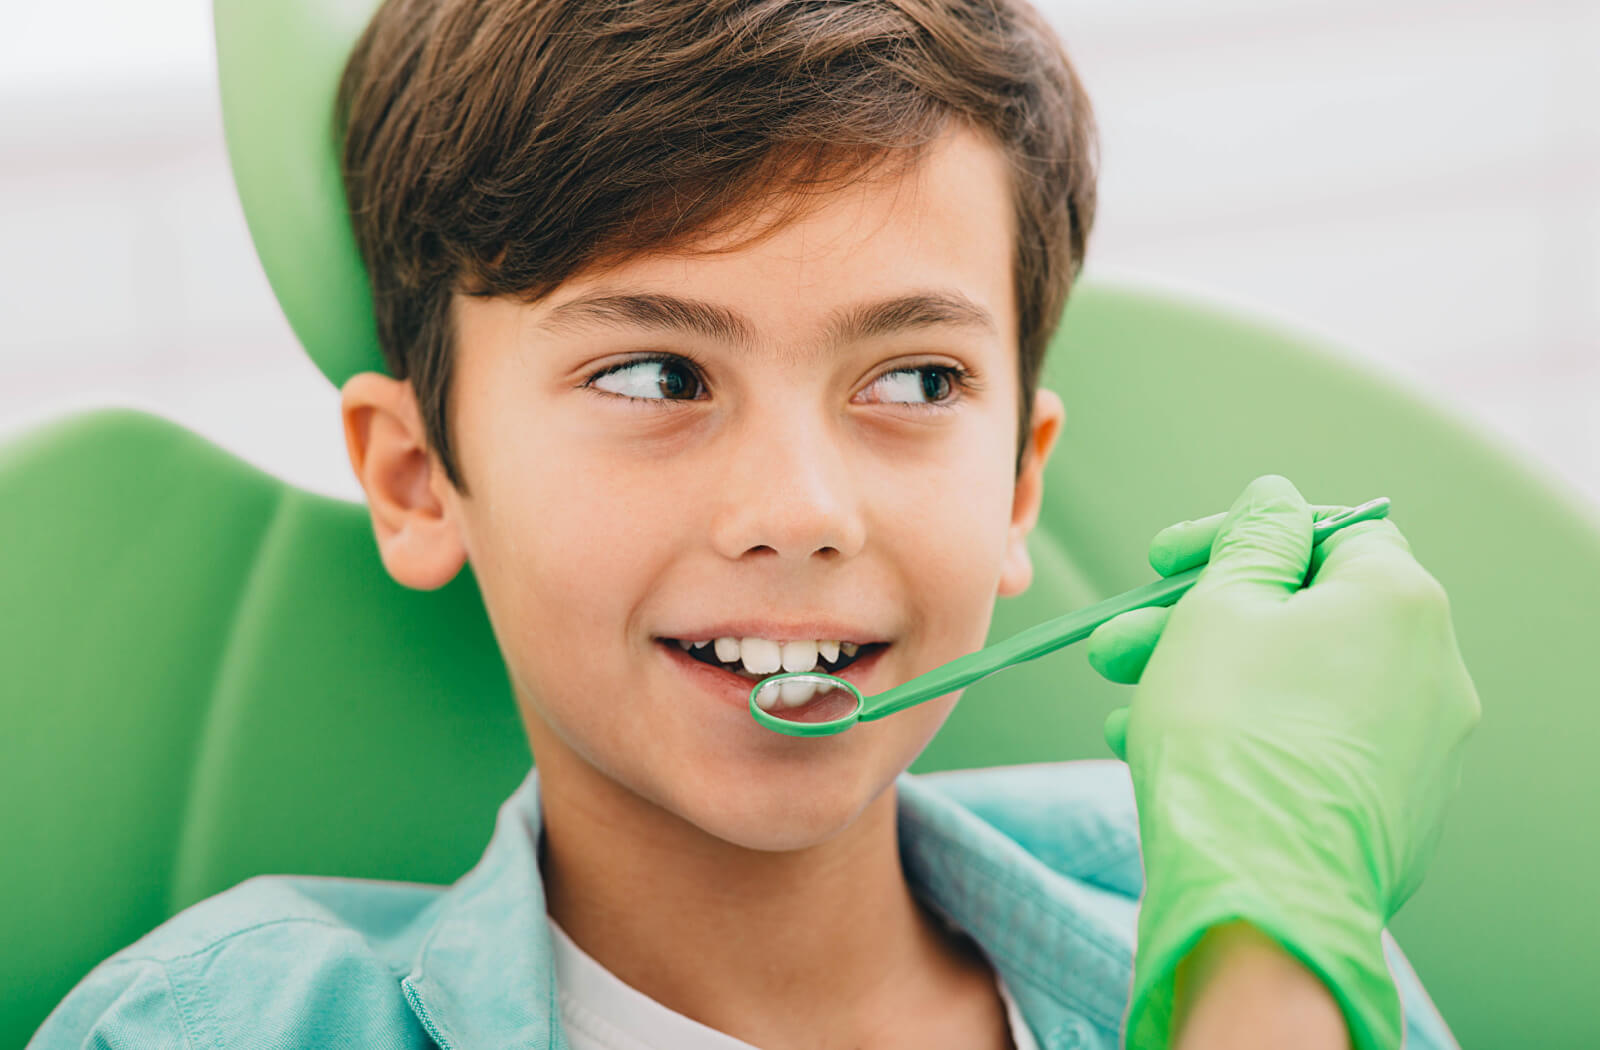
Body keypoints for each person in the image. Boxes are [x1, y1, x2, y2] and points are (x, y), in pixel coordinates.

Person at [29, 0, 1479, 1047]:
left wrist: (1271, 921)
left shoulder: (1245, 899)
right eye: (657, 374)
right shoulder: (222, 1025)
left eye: (915, 380)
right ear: (418, 477)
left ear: (1018, 480)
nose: (802, 508)